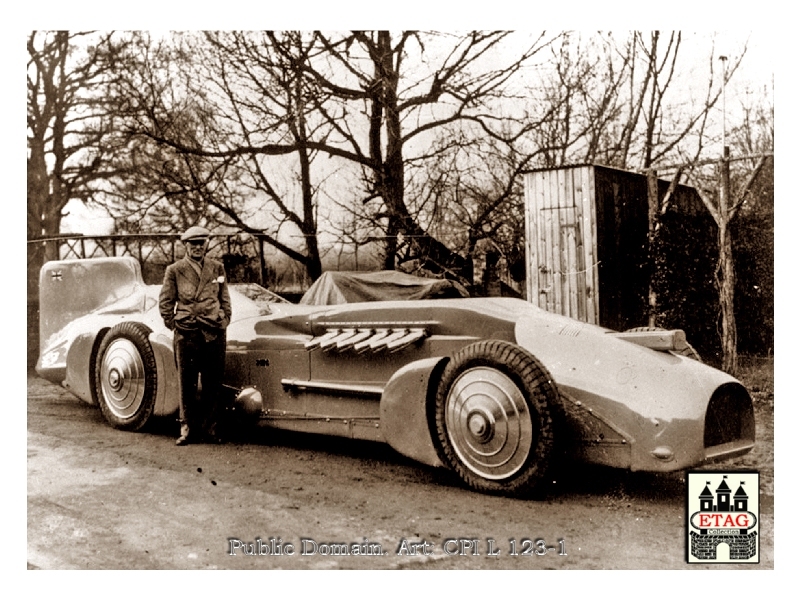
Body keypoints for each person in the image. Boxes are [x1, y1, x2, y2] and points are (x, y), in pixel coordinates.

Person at [159, 226, 232, 446]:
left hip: (213, 332)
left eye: (201, 243)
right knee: (186, 383)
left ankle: (210, 429)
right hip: (187, 333)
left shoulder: (217, 268)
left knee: (213, 382)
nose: (198, 248)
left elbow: (224, 297)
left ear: (206, 245)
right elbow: (165, 302)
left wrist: (224, 319)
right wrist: (176, 324)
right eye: (193, 244)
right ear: (186, 246)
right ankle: (187, 430)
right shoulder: (174, 270)